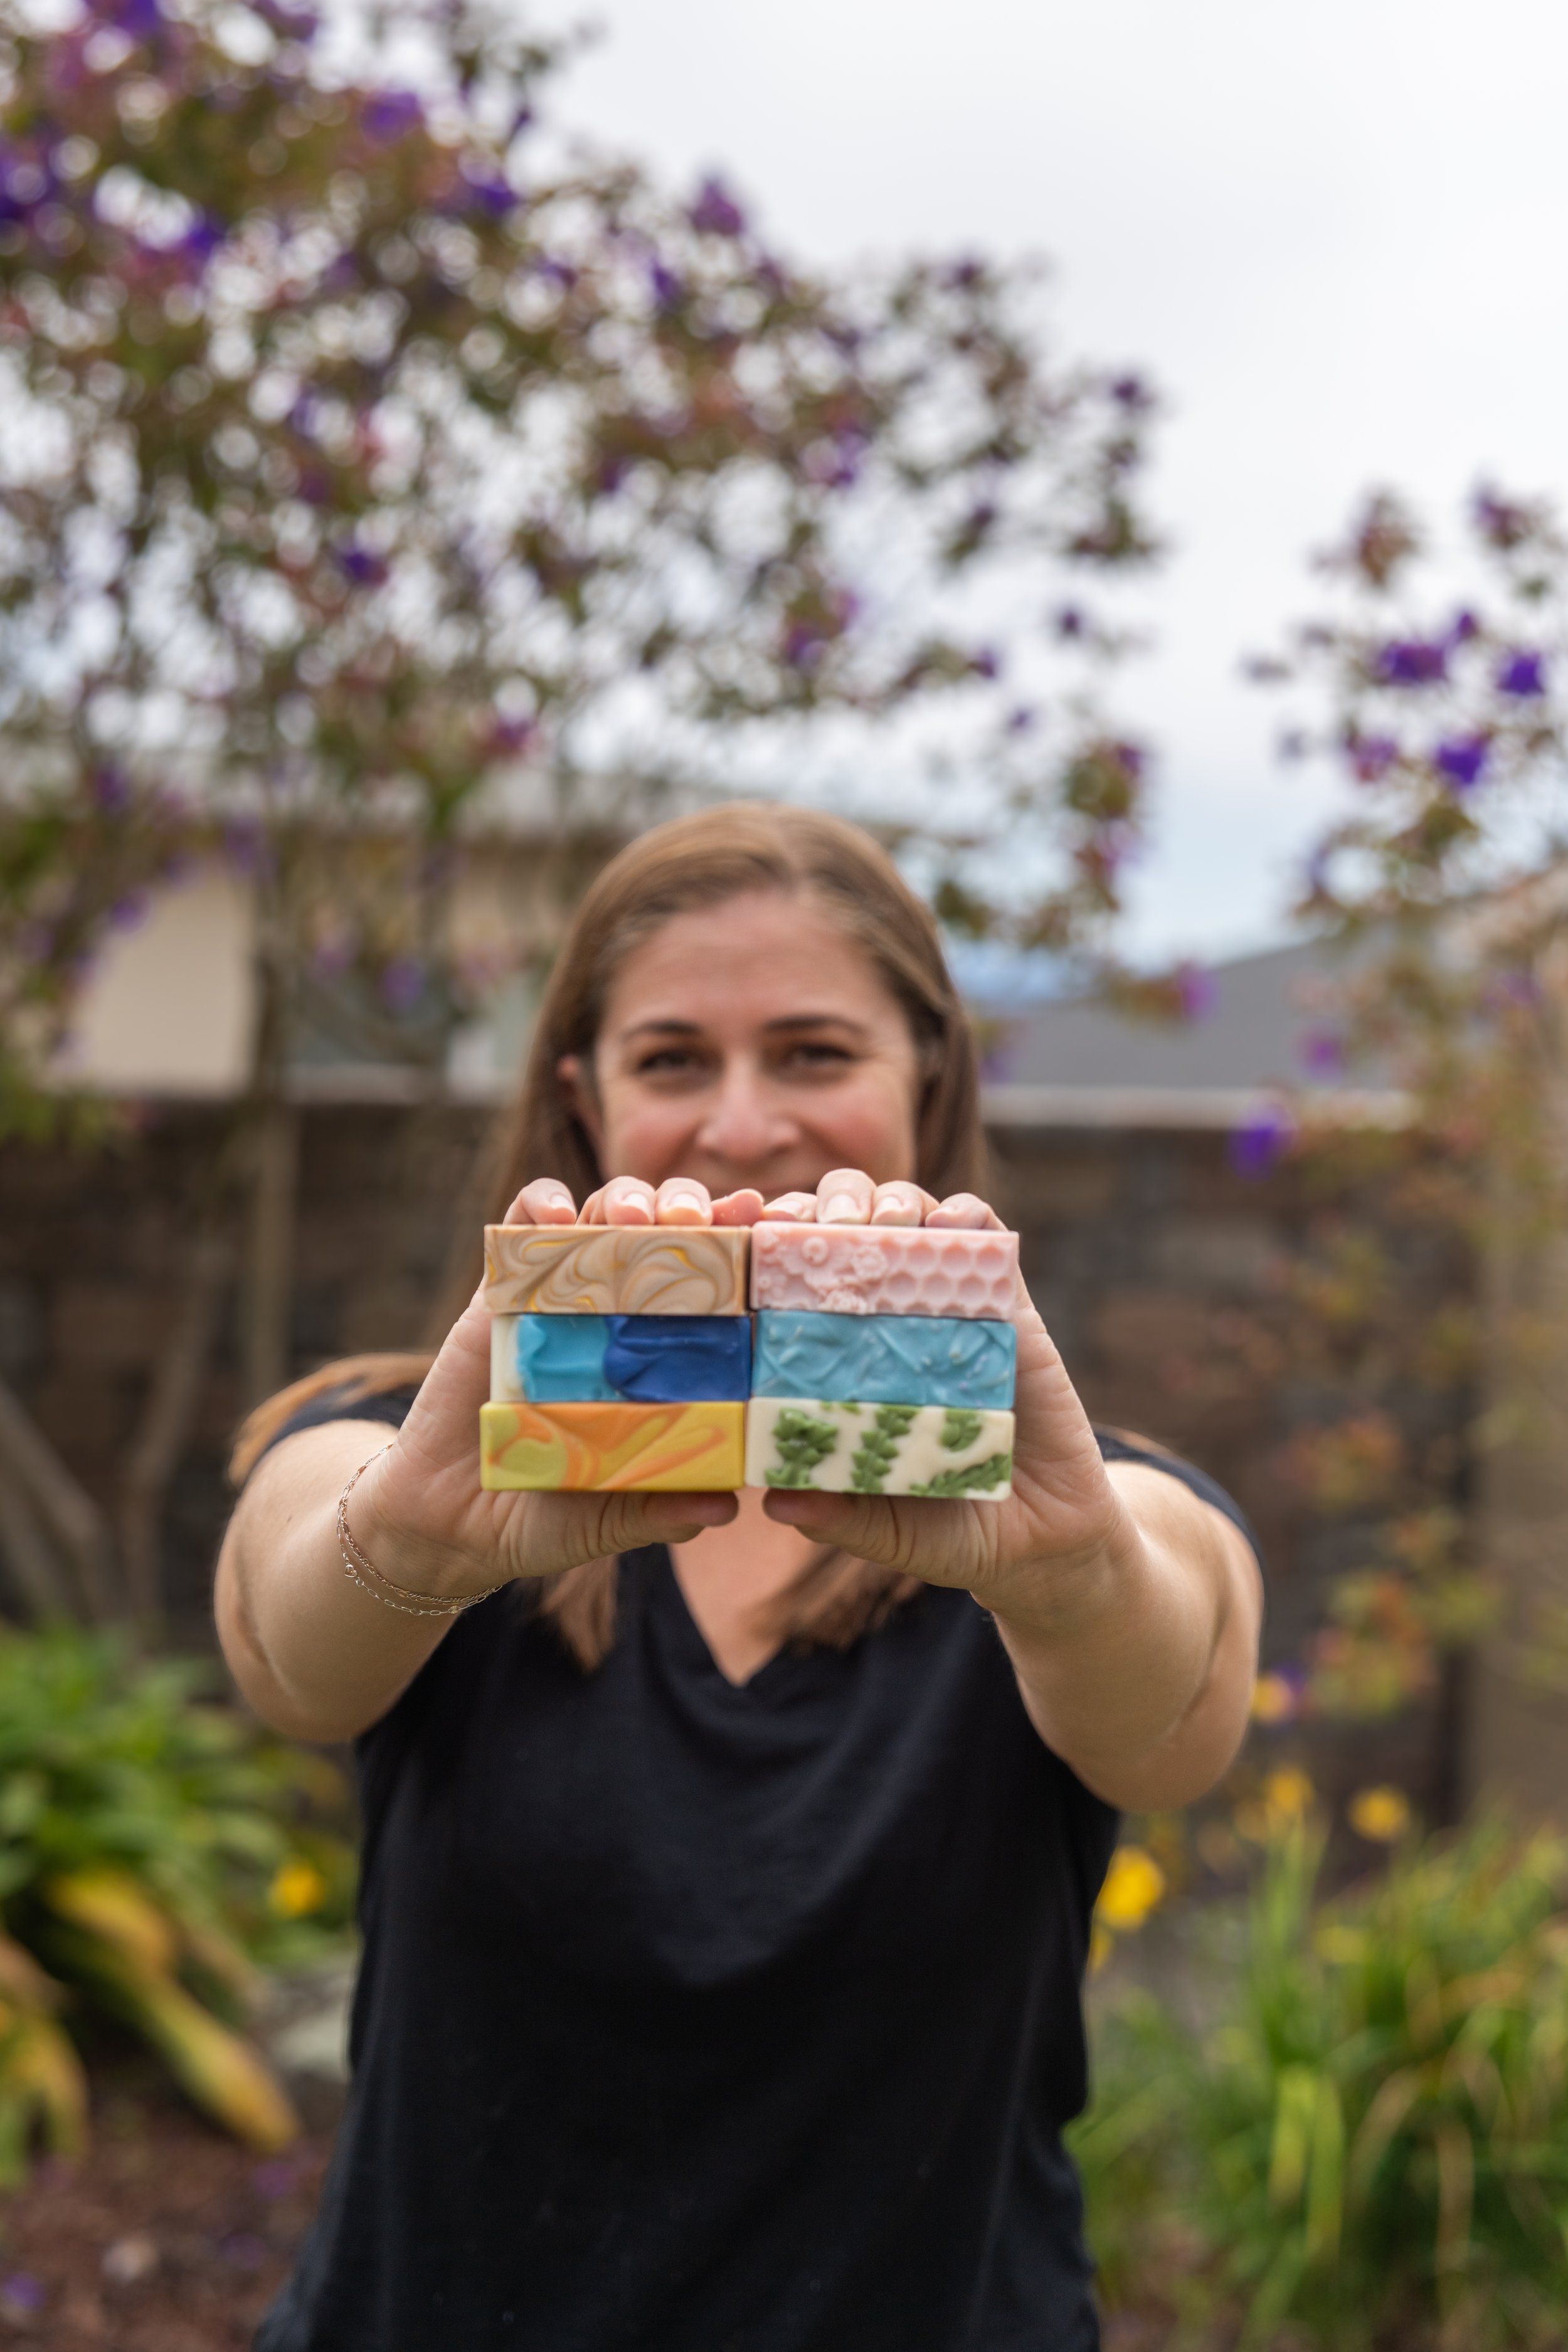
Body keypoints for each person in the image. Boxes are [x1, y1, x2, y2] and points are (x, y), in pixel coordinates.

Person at [223, 803, 1262, 2352]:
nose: (741, 1123)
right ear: (580, 1103)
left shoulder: (1083, 1505)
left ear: (930, 1076)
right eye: (670, 1061)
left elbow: (1173, 1704)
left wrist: (1067, 1578)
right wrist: (417, 1540)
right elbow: (286, 1643)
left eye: (813, 1052)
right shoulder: (400, 1451)